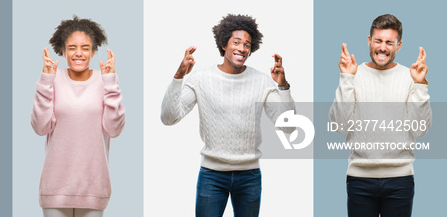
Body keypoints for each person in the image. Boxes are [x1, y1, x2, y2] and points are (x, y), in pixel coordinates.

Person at [160, 14, 295, 217]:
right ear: (224, 44)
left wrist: (283, 86)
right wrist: (179, 77)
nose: (242, 48)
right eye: (237, 42)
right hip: (211, 176)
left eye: (247, 44)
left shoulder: (262, 82)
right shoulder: (201, 79)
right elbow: (168, 118)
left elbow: (289, 127)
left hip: (249, 176)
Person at [328, 14, 431, 217]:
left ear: (398, 45)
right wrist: (346, 78)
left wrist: (420, 85)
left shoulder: (410, 77)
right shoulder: (354, 74)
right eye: (378, 40)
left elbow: (421, 130)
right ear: (369, 41)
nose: (383, 47)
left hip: (400, 180)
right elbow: (339, 125)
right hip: (360, 180)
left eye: (389, 42)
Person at [30, 16, 126, 217]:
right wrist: (46, 80)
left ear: (93, 51)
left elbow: (114, 129)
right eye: (72, 47)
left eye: (85, 48)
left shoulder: (105, 80)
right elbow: (40, 127)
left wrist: (110, 82)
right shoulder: (53, 79)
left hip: (93, 186)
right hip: (55, 186)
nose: (78, 53)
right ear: (63, 51)